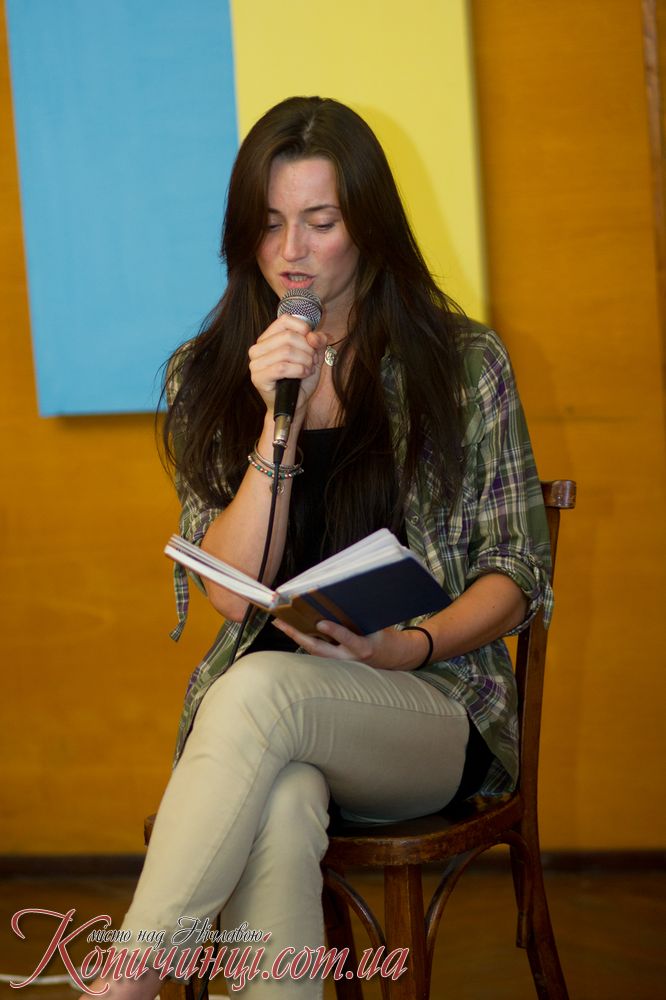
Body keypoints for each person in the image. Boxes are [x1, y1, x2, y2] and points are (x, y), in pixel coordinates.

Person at [90, 96, 553, 998]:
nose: (291, 251)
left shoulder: (463, 363)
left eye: (320, 221)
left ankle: (123, 985)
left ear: (368, 226)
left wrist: (409, 645)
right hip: (277, 721)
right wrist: (281, 424)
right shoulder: (212, 376)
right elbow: (232, 595)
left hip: (428, 704)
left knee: (256, 691)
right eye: (269, 224)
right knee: (281, 794)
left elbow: (517, 573)